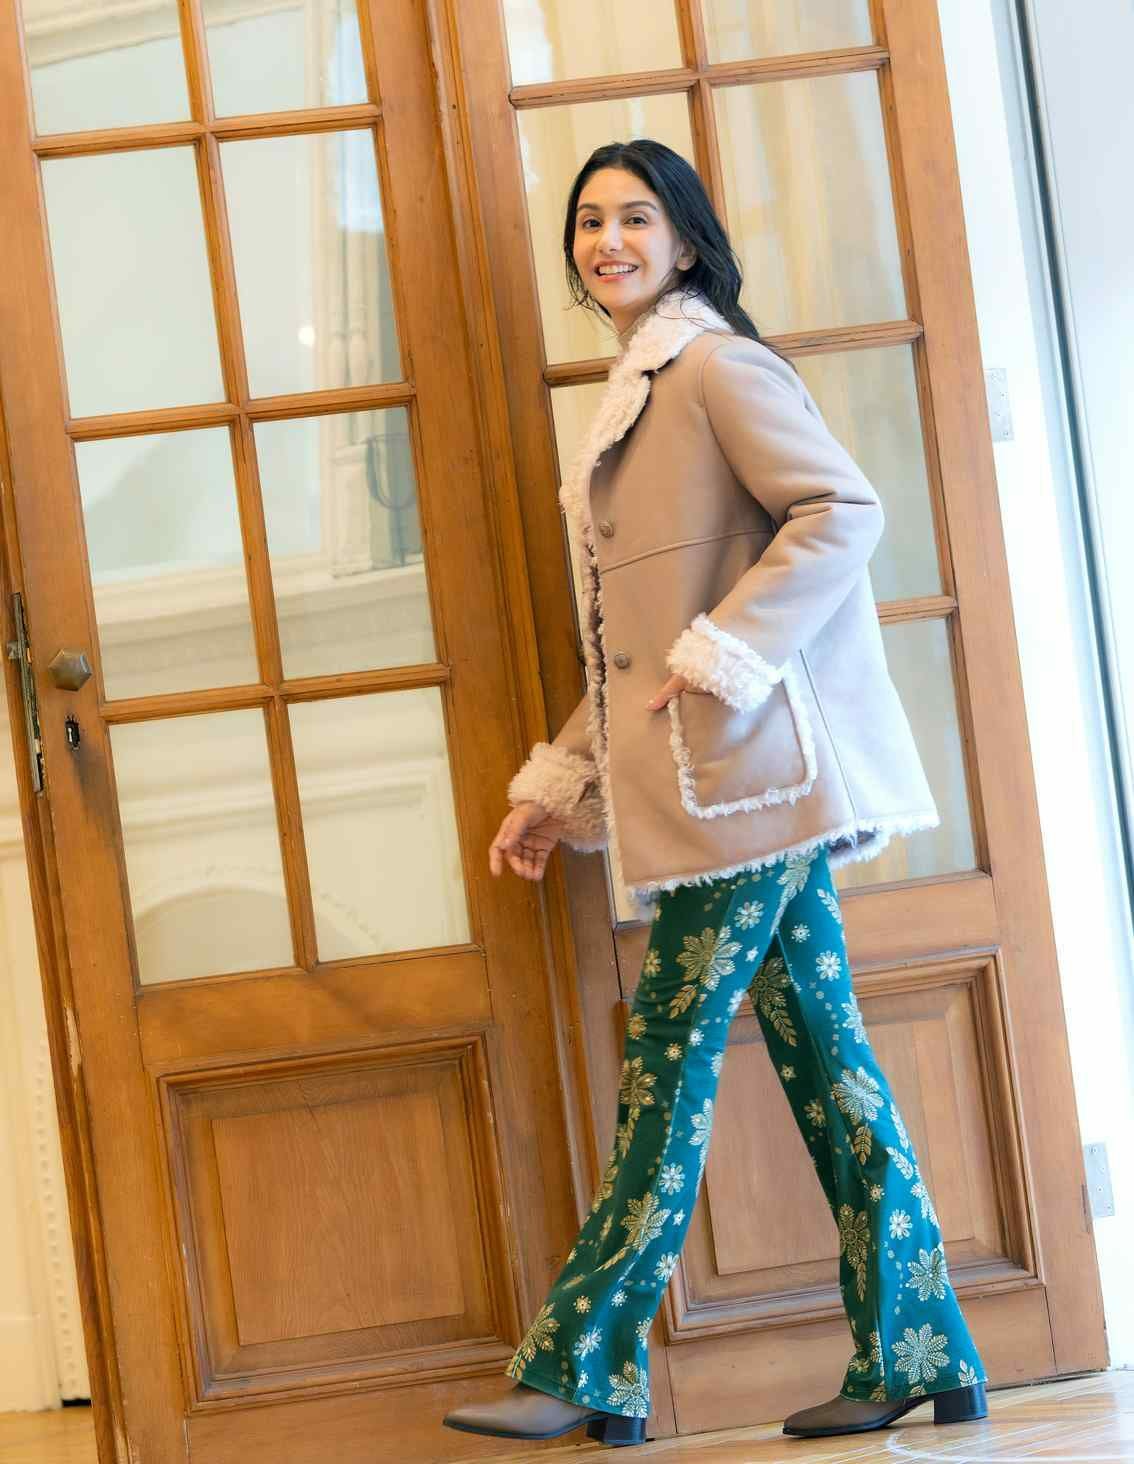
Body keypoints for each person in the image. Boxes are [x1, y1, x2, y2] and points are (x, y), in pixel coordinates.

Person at [443, 139, 988, 1449]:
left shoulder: (715, 369)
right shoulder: (635, 391)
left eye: (635, 218)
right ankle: (922, 1347)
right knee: (829, 1063)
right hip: (728, 782)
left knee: (669, 1060)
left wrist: (722, 651)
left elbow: (840, 511)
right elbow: (622, 653)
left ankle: (587, 1367)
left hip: (749, 783)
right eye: (589, 222)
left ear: (684, 241)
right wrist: (561, 782)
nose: (607, 241)